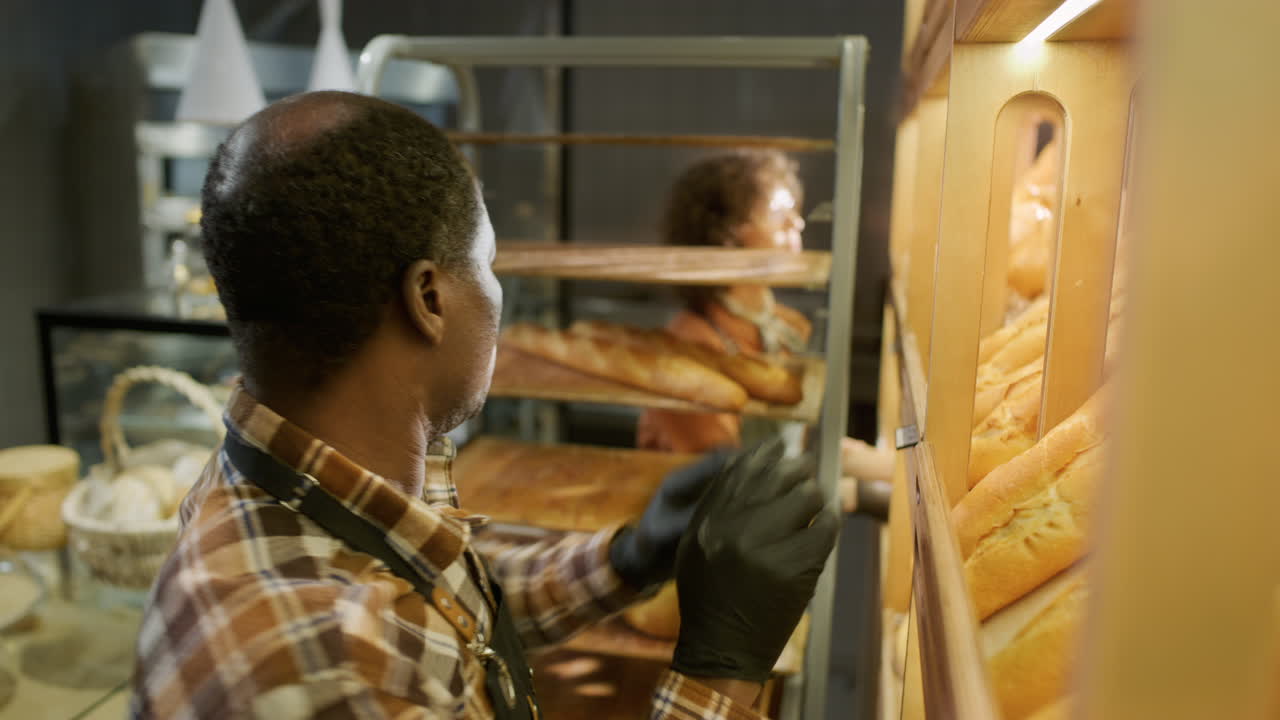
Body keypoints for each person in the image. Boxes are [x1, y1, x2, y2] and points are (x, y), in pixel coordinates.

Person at [131, 91, 839, 720]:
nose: (498, 296)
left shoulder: (299, 481)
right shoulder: (327, 674)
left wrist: (628, 556)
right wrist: (720, 675)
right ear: (429, 299)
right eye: (490, 264)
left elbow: (440, 610)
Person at [636, 152, 895, 499]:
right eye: (779, 215)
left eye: (797, 213)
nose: (797, 224)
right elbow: (727, 481)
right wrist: (852, 495)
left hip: (769, 516)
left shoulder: (787, 327)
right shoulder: (690, 349)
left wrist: (898, 470)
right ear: (726, 234)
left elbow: (798, 442)